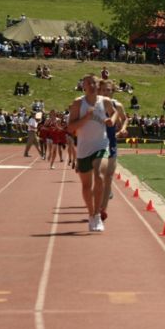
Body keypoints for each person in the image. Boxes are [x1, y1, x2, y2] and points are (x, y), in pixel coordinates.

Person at [66, 74, 118, 232]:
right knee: (86, 186)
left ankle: (97, 215)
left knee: (100, 176)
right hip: (83, 149)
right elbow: (70, 128)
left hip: (101, 145)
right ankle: (91, 214)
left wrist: (112, 121)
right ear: (84, 86)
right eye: (88, 83)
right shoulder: (77, 104)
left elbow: (114, 113)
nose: (92, 85)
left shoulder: (105, 102)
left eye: (94, 82)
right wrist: (87, 117)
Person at [98, 79, 129, 221]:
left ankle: (102, 210)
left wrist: (122, 129)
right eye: (103, 90)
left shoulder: (118, 105)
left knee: (109, 175)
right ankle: (100, 195)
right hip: (96, 142)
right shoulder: (95, 105)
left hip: (111, 141)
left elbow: (125, 118)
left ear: (113, 91)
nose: (106, 92)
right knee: (97, 174)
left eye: (108, 90)